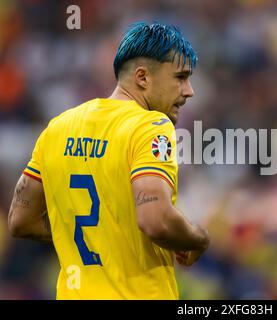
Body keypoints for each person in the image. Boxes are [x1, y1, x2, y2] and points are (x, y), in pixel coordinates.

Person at [7, 22, 210, 299]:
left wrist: (102, 234)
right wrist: (198, 238)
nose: (189, 91)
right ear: (142, 77)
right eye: (180, 77)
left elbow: (20, 220)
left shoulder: (58, 127)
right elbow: (156, 220)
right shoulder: (150, 127)